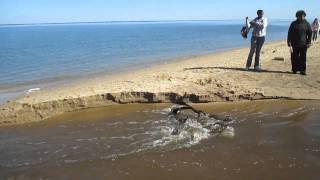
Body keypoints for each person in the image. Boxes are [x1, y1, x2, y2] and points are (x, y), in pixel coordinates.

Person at [287, 10, 312, 75]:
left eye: (303, 16)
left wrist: (309, 42)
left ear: (304, 16)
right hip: (294, 44)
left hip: (303, 44)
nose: (301, 17)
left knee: (303, 57)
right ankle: (294, 70)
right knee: (294, 57)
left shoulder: (307, 24)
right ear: (297, 16)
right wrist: (289, 43)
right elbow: (289, 33)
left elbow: (310, 33)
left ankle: (303, 71)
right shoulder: (293, 23)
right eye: (300, 16)